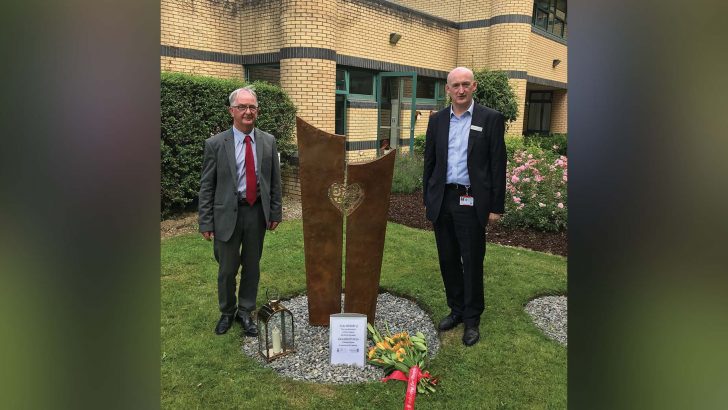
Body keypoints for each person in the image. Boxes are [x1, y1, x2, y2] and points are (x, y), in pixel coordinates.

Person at [423, 67, 506, 346]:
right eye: (455, 85)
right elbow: (430, 163)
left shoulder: (490, 119)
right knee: (447, 259)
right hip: (443, 199)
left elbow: (498, 164)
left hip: (471, 201)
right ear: (447, 89)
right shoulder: (437, 121)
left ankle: (472, 319)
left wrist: (496, 206)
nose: (460, 90)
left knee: (471, 261)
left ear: (474, 87)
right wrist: (428, 197)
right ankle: (456, 310)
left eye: (465, 85)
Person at [198, 86, 282, 336]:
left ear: (258, 111)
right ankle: (227, 312)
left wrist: (275, 212)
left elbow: (274, 181)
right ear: (231, 111)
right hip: (226, 214)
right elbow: (207, 185)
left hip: (256, 213)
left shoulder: (268, 141)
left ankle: (246, 312)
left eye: (252, 107)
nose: (248, 112)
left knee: (252, 266)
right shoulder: (215, 144)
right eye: (242, 107)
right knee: (226, 269)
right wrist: (205, 221)